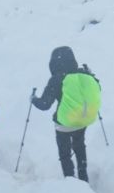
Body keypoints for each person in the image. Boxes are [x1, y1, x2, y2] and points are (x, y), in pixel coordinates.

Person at [30, 47, 99, 181]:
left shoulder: (56, 79)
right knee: (79, 146)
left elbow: (45, 104)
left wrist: (33, 99)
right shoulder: (83, 74)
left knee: (65, 153)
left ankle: (70, 180)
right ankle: (83, 176)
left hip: (64, 124)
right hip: (82, 120)